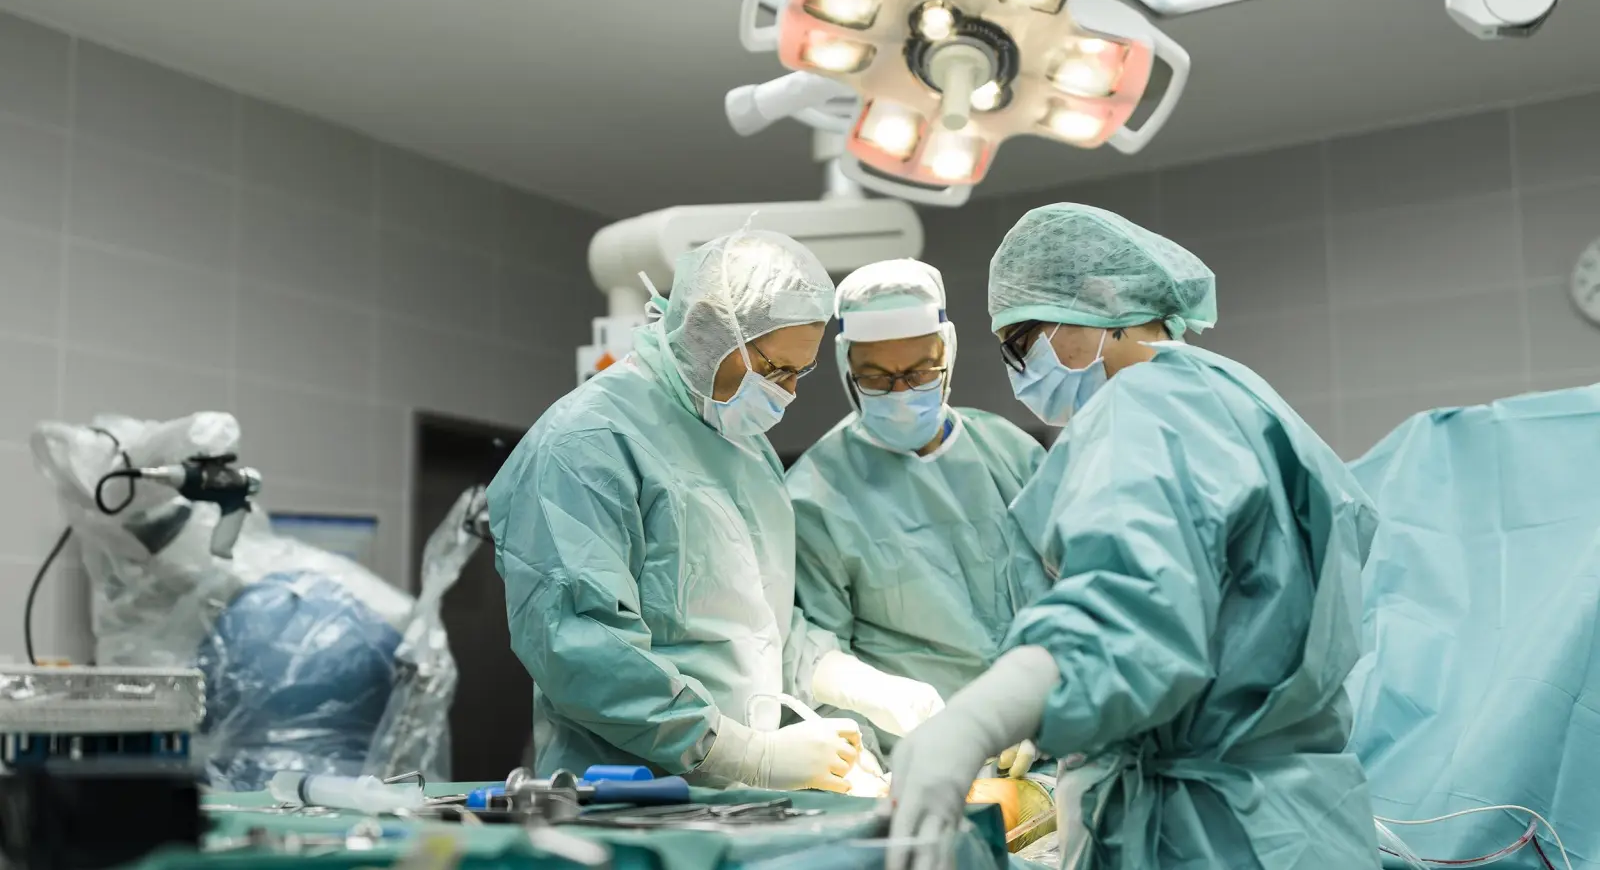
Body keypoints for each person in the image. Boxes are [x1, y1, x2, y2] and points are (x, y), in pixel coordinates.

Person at [888, 204, 1382, 869]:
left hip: (1207, 836)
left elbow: (1133, 606)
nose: (1017, 369)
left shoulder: (1140, 407)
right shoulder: (1234, 396)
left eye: (1022, 340)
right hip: (1296, 824)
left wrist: (977, 720)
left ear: (1098, 303)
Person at [488, 230, 865, 792]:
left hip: (738, 804)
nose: (785, 394)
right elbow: (583, 652)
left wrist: (844, 679)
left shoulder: (742, 442)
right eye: (773, 369)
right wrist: (746, 754)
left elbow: (758, 616)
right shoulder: (585, 442)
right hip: (629, 802)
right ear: (709, 332)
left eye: (798, 375)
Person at [785, 259, 1052, 770]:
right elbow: (823, 661)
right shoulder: (816, 496)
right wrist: (861, 763)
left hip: (1039, 747)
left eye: (919, 372)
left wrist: (1052, 710)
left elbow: (1069, 601)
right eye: (877, 378)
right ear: (848, 368)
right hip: (916, 758)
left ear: (947, 351)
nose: (902, 392)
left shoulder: (1011, 455)